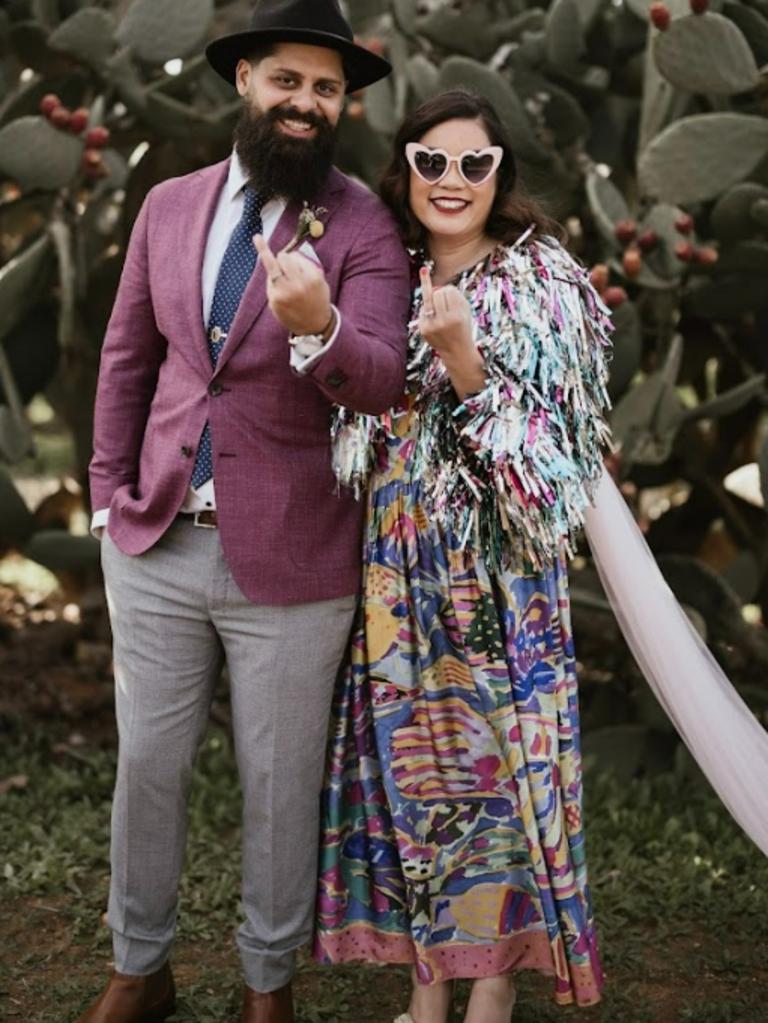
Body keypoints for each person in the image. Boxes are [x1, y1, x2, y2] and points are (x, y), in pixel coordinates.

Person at [82, 0, 410, 1020]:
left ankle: (268, 983)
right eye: (289, 81)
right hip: (157, 537)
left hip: (296, 557)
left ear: (343, 103)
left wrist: (316, 331)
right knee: (149, 766)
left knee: (277, 784)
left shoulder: (365, 223)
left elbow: (385, 377)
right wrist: (104, 496)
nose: (306, 103)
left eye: (326, 88)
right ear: (245, 83)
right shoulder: (169, 206)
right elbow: (128, 356)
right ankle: (141, 967)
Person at [314, 90, 613, 1023]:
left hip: (501, 580)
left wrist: (466, 362)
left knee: (497, 777)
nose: (451, 180)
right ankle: (426, 988)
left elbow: (554, 475)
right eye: (430, 160)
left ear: (500, 174)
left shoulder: (545, 283)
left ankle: (493, 988)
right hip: (397, 568)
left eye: (472, 163)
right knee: (420, 777)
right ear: (404, 169)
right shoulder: (379, 274)